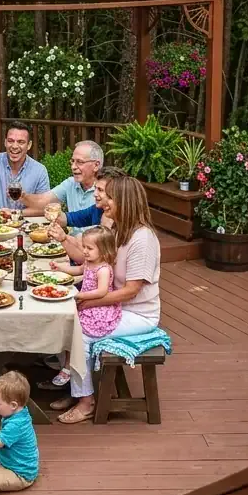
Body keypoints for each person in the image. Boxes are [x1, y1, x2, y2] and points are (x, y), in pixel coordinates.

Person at [57, 175, 161, 424]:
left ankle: (86, 402)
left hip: (138, 314)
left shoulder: (142, 239)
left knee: (78, 332)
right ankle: (77, 390)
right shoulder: (116, 230)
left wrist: (89, 302)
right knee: (65, 320)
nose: (103, 201)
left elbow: (130, 291)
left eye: (109, 197)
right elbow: (90, 262)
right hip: (113, 306)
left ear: (124, 201)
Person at [44, 226, 122, 387]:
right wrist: (60, 267)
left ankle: (77, 363)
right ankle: (68, 362)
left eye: (89, 248)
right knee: (69, 325)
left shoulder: (103, 269)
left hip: (98, 309)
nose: (85, 251)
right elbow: (77, 270)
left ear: (104, 250)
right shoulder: (90, 262)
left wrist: (79, 296)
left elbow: (101, 291)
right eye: (84, 247)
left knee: (75, 331)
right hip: (86, 303)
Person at [23, 140, 103, 231]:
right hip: (72, 241)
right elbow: (42, 201)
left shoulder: (108, 191)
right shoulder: (70, 183)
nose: (73, 166)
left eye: (80, 162)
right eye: (72, 161)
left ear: (96, 165)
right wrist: (21, 196)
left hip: (93, 244)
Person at [0, 121, 51, 211]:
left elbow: (45, 206)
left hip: (26, 224)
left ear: (29, 145)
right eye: (10, 141)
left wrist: (14, 214)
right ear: (5, 142)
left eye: (21, 142)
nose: (14, 146)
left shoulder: (39, 171)